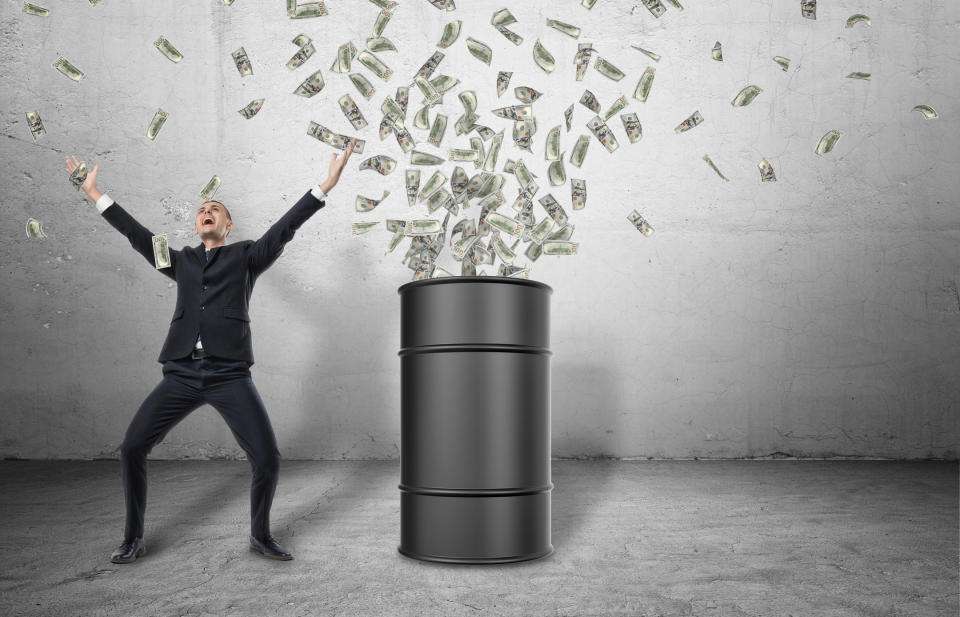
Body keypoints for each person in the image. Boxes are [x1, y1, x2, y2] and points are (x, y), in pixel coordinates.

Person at [66, 138, 356, 563]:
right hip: (181, 373)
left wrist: (324, 186)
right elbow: (136, 234)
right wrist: (94, 193)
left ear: (228, 225)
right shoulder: (179, 260)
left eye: (215, 209)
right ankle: (132, 538)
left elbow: (285, 227)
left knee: (268, 459)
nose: (207, 211)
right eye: (202, 209)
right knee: (131, 448)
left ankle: (259, 535)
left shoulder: (248, 256)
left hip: (229, 375)